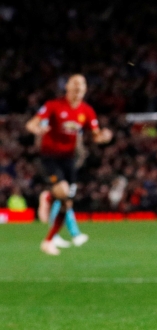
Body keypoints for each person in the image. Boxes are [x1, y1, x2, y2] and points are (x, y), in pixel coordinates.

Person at [25, 75, 113, 255]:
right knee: (63, 191)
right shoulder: (53, 105)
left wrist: (103, 137)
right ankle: (49, 197)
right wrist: (37, 128)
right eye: (75, 84)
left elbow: (95, 134)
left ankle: (48, 240)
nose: (78, 88)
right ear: (67, 86)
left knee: (67, 204)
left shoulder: (86, 111)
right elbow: (32, 123)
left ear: (85, 90)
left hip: (69, 159)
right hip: (50, 156)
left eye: (82, 85)